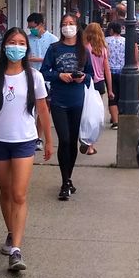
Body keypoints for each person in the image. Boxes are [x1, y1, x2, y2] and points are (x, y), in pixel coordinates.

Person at [0, 27, 53, 272]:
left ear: (26, 48)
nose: (17, 46)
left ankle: (16, 249)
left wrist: (49, 141)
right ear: (4, 46)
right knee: (6, 191)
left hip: (25, 141)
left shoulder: (34, 77)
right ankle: (11, 232)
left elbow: (43, 110)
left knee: (20, 194)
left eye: (22, 42)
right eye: (13, 42)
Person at [41, 13, 94, 201]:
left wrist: (82, 78)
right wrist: (58, 76)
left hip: (77, 100)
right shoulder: (54, 49)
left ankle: (69, 178)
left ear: (77, 26)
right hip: (58, 100)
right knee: (63, 140)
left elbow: (90, 75)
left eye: (71, 23)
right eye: (64, 24)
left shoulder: (84, 50)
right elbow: (44, 72)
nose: (68, 27)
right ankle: (64, 182)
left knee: (72, 142)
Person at [26, 13, 58, 152]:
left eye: (32, 27)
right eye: (29, 27)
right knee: (29, 108)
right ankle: (29, 135)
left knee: (43, 109)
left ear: (40, 25)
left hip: (46, 80)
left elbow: (54, 60)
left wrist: (38, 60)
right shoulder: (27, 40)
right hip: (29, 77)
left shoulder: (52, 40)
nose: (30, 29)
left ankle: (38, 138)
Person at [83, 23, 114, 154]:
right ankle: (91, 145)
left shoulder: (84, 48)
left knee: (84, 112)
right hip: (99, 83)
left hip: (85, 82)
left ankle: (82, 136)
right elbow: (107, 70)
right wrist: (110, 90)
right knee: (95, 115)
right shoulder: (103, 49)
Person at [104, 22, 124, 130]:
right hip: (123, 72)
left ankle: (115, 121)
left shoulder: (106, 41)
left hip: (110, 72)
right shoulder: (125, 41)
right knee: (121, 95)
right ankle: (119, 116)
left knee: (112, 95)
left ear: (111, 30)